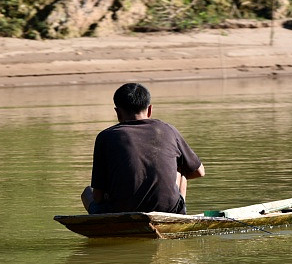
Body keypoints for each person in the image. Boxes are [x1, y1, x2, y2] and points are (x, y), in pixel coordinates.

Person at [82, 83, 205, 214]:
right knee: (181, 168)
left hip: (119, 211)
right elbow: (199, 172)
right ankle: (178, 214)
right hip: (168, 209)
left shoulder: (104, 137)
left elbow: (97, 197)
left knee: (86, 193)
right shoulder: (168, 130)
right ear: (150, 109)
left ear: (117, 112)